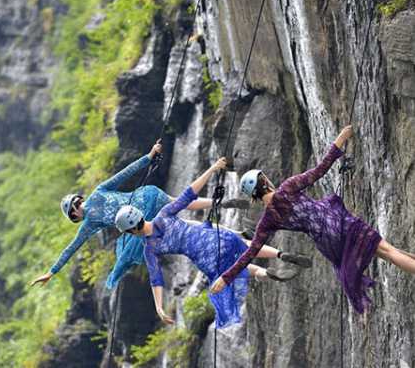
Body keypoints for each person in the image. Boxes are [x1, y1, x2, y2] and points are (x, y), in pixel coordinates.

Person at [211, 125, 415, 314]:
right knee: (388, 251)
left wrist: (225, 278)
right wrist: (340, 141)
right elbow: (320, 170)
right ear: (264, 181)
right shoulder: (288, 187)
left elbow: (250, 253)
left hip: (328, 245)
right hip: (338, 222)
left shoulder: (268, 221)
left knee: (384, 253)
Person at [115, 158, 311, 328]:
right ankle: (280, 254)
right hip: (212, 235)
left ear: (131, 231)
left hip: (205, 258)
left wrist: (159, 307)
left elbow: (156, 279)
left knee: (239, 269)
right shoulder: (164, 214)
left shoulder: (150, 249)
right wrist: (212, 169)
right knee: (246, 246)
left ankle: (264, 273)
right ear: (141, 216)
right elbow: (188, 194)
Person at [31, 141, 238, 287]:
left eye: (73, 214)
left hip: (140, 218)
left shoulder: (89, 224)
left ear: (75, 214)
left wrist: (52, 272)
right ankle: (221, 203)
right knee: (180, 202)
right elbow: (126, 172)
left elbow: (72, 248)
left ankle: (231, 230)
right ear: (79, 200)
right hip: (148, 196)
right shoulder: (98, 192)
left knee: (181, 227)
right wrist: (149, 156)